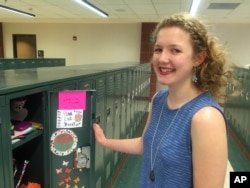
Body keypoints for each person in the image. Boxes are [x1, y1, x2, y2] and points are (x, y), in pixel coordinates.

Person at [93, 12, 230, 188]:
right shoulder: (159, 99)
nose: (162, 58)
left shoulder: (205, 118)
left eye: (175, 50)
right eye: (158, 49)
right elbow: (146, 143)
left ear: (198, 58)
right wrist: (105, 142)